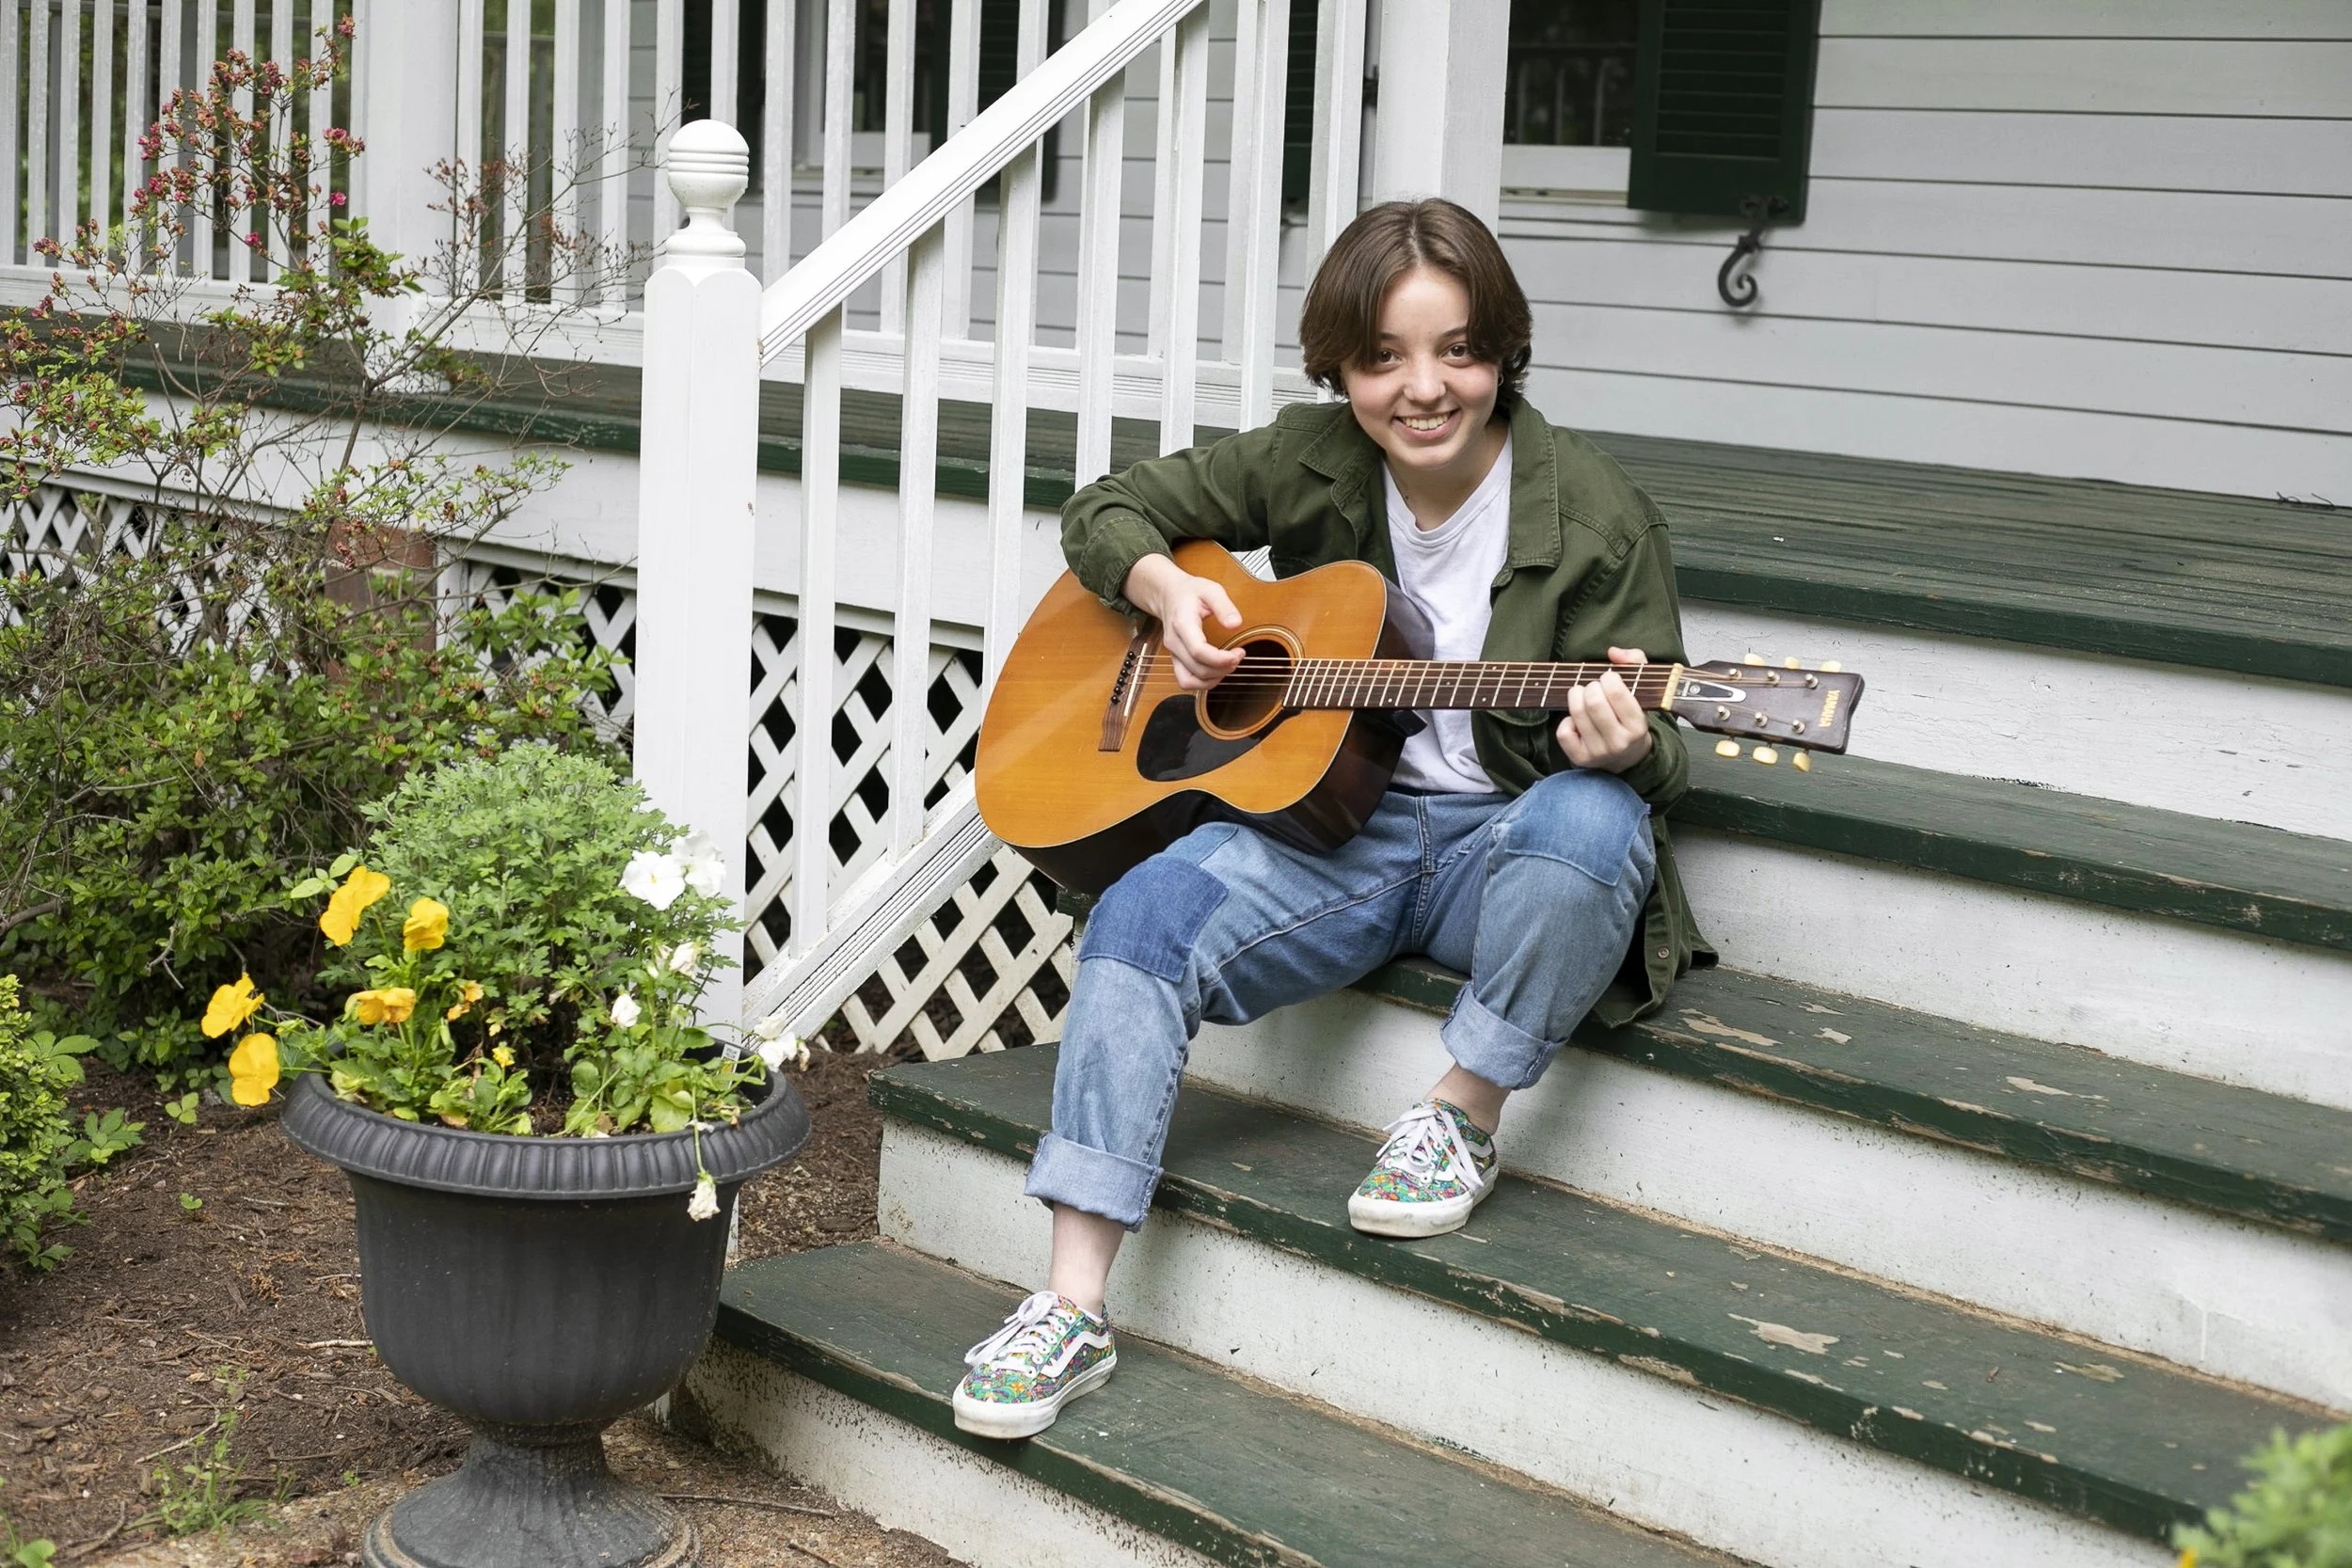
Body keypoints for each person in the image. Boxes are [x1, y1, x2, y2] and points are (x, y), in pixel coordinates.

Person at [952, 198, 1709, 1440]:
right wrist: (1166, 588)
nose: (1424, 388)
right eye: (1384, 358)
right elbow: (1108, 510)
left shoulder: (1598, 514)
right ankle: (1070, 1302)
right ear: (1341, 367)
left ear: (1502, 351)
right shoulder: (1310, 458)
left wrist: (1631, 744)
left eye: (1457, 350)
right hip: (1328, 836)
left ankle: (1460, 1115)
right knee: (1142, 915)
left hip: (1501, 847)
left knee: (1595, 820)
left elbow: (1667, 744)